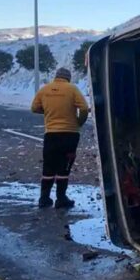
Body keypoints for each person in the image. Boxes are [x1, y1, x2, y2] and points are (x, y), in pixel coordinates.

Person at [31, 67, 89, 208]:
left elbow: (34, 108)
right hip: (70, 134)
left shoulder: (45, 89)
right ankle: (61, 198)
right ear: (68, 78)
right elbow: (84, 108)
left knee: (48, 165)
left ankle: (44, 198)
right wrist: (79, 122)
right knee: (64, 166)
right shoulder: (72, 89)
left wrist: (48, 111)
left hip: (51, 134)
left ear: (56, 77)